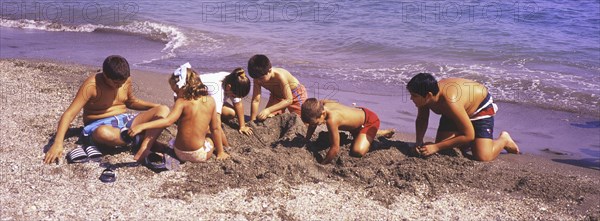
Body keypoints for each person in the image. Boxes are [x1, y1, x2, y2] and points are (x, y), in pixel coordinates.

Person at [43, 55, 169, 164]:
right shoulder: (91, 86)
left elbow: (131, 102)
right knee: (104, 133)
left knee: (163, 110)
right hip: (98, 125)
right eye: (115, 83)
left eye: (123, 82)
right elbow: (69, 114)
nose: (119, 86)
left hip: (126, 120)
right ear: (105, 75)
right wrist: (57, 143)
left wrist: (155, 107)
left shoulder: (125, 80)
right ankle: (142, 140)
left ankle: (143, 147)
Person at [128, 63, 229, 163]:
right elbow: (215, 128)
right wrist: (220, 152)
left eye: (176, 91)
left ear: (184, 87)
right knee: (210, 133)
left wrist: (142, 126)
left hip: (178, 152)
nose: (176, 95)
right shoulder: (210, 101)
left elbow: (167, 121)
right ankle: (223, 149)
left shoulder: (181, 102)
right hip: (198, 154)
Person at [406, 73, 519, 161]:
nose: (411, 99)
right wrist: (419, 141)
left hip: (479, 108)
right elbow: (422, 118)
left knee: (483, 157)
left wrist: (436, 147)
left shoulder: (451, 101)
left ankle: (504, 140)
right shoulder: (425, 99)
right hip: (455, 112)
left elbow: (469, 135)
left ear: (429, 95)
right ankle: (467, 143)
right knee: (445, 146)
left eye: (414, 96)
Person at [301, 98, 395, 164]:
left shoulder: (332, 120)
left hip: (369, 121)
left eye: (316, 123)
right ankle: (372, 133)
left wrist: (323, 163)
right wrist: (307, 139)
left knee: (357, 151)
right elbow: (312, 123)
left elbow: (335, 148)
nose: (314, 126)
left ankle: (376, 133)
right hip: (357, 115)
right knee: (357, 136)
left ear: (323, 114)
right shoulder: (320, 105)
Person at [247, 54, 308, 121]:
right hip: (276, 96)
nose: (258, 81)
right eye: (256, 78)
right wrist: (252, 120)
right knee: (266, 119)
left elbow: (289, 100)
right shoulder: (257, 78)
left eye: (261, 78)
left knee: (303, 120)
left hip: (295, 94)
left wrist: (268, 110)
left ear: (269, 71)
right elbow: (256, 100)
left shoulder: (280, 76)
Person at [200, 67, 253, 143]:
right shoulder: (217, 91)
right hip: (190, 98)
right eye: (234, 95)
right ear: (228, 87)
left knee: (231, 113)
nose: (235, 98)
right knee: (211, 122)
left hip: (206, 98)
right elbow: (216, 124)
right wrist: (225, 145)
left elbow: (238, 104)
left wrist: (242, 126)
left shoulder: (234, 78)